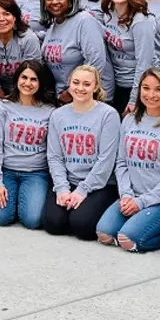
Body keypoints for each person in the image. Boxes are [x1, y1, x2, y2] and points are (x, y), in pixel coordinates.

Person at [95, 68, 160, 252]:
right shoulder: (130, 120)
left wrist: (142, 202)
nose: (151, 94)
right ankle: (140, 223)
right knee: (104, 234)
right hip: (134, 196)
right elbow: (121, 163)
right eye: (146, 88)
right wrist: (127, 195)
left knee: (128, 240)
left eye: (158, 89)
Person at [43, 65, 120, 240]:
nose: (80, 88)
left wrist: (82, 191)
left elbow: (106, 160)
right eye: (76, 82)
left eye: (87, 84)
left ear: (95, 87)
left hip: (99, 185)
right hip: (69, 181)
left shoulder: (108, 115)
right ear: (69, 84)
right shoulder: (58, 115)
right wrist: (62, 188)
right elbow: (54, 157)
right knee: (54, 224)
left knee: (82, 226)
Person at [0, 61, 57, 229]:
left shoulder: (50, 111)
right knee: (1, 217)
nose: (27, 83)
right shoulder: (3, 106)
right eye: (24, 77)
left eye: (34, 79)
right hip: (7, 171)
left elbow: (53, 151)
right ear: (17, 79)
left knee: (32, 220)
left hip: (35, 173)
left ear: (41, 83)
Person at [40, 0, 113, 103]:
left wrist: (70, 92)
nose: (54, 2)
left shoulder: (84, 21)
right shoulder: (54, 26)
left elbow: (96, 62)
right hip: (65, 98)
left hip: (90, 98)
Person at [99, 0, 158, 114]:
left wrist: (134, 99)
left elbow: (144, 62)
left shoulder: (141, 20)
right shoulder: (108, 14)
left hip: (137, 86)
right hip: (116, 84)